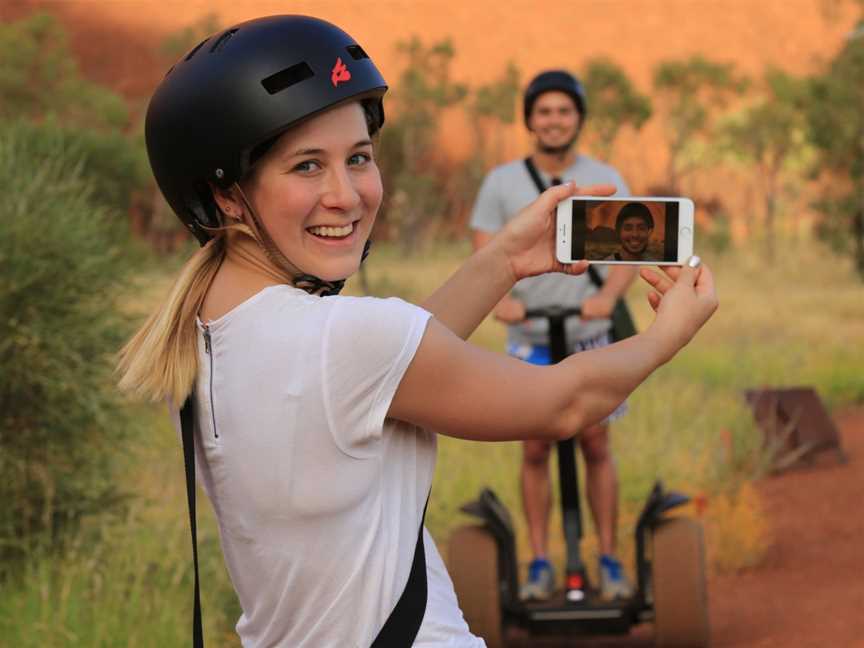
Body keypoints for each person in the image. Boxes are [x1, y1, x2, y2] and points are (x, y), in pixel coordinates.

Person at [118, 16, 717, 648]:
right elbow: (564, 403)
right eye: (306, 167)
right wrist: (663, 337)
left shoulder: (203, 337)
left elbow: (390, 367)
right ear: (229, 196)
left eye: (358, 158)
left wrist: (506, 260)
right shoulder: (341, 340)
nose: (345, 195)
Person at [470, 70, 640, 601]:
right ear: (530, 120)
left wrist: (608, 298)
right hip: (533, 334)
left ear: (578, 118)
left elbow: (630, 248)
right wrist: (501, 303)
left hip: (589, 330)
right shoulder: (502, 182)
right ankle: (541, 562)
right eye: (543, 111)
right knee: (536, 445)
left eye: (563, 111)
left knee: (594, 440)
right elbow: (484, 250)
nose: (554, 120)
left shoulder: (604, 175)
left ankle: (609, 559)